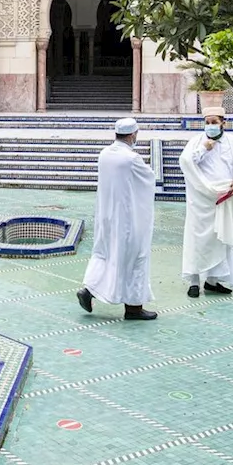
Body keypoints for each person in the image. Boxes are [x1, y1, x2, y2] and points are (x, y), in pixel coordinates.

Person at [77, 117, 158, 320]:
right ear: (133, 135)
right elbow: (149, 179)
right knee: (134, 258)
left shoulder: (105, 154)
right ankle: (134, 308)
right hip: (128, 219)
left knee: (105, 254)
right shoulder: (131, 158)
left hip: (107, 216)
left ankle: (89, 290)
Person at [179, 105, 233, 298]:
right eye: (207, 123)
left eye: (214, 122)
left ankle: (213, 281)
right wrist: (203, 149)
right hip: (201, 201)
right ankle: (193, 281)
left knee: (222, 239)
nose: (210, 126)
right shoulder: (196, 142)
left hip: (226, 198)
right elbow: (186, 163)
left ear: (223, 123)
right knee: (198, 239)